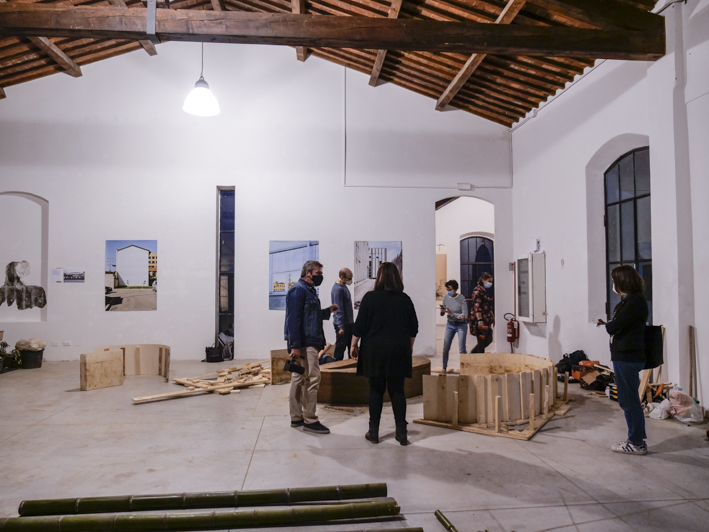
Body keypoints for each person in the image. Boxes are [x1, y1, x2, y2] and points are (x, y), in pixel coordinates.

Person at [351, 263, 418, 446]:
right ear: (397, 277)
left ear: (379, 277)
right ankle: (401, 433)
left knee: (376, 389)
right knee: (398, 390)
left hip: (375, 350)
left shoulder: (370, 298)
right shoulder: (404, 299)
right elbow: (414, 327)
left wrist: (353, 344)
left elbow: (360, 325)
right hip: (398, 350)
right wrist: (409, 347)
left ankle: (373, 432)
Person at [597, 265, 649, 455]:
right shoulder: (631, 301)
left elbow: (613, 327)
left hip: (627, 356)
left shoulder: (634, 302)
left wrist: (609, 325)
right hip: (626, 355)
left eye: (614, 281)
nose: (613, 285)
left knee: (629, 401)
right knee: (628, 400)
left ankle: (636, 443)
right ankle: (635, 440)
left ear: (622, 282)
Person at [284, 260, 338, 435]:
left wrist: (328, 311)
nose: (320, 276)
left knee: (299, 378)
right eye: (318, 273)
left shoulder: (308, 291)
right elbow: (293, 320)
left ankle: (297, 417)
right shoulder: (298, 290)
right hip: (305, 343)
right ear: (308, 273)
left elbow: (310, 316)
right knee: (312, 379)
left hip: (307, 341)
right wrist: (295, 346)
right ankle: (310, 420)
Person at [440, 280, 468, 374]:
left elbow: (464, 315)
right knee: (445, 347)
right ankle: (444, 368)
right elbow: (442, 313)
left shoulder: (461, 298)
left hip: (461, 324)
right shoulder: (445, 298)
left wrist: (451, 314)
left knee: (462, 348)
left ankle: (465, 369)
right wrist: (442, 311)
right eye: (447, 289)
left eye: (450, 289)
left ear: (455, 289)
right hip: (450, 324)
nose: (448, 291)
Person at [331, 267, 354, 361]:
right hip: (342, 324)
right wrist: (341, 327)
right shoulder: (338, 289)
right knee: (340, 349)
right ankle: (336, 367)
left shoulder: (343, 286)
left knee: (351, 348)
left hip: (348, 323)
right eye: (349, 278)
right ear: (342, 277)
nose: (350, 280)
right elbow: (338, 309)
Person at [470, 272, 494, 353]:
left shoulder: (484, 291)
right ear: (483, 280)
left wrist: (492, 317)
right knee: (481, 341)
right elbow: (477, 307)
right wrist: (480, 320)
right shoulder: (477, 291)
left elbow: (488, 305)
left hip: (486, 319)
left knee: (489, 339)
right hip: (480, 319)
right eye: (489, 281)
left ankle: (473, 354)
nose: (490, 283)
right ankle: (475, 355)